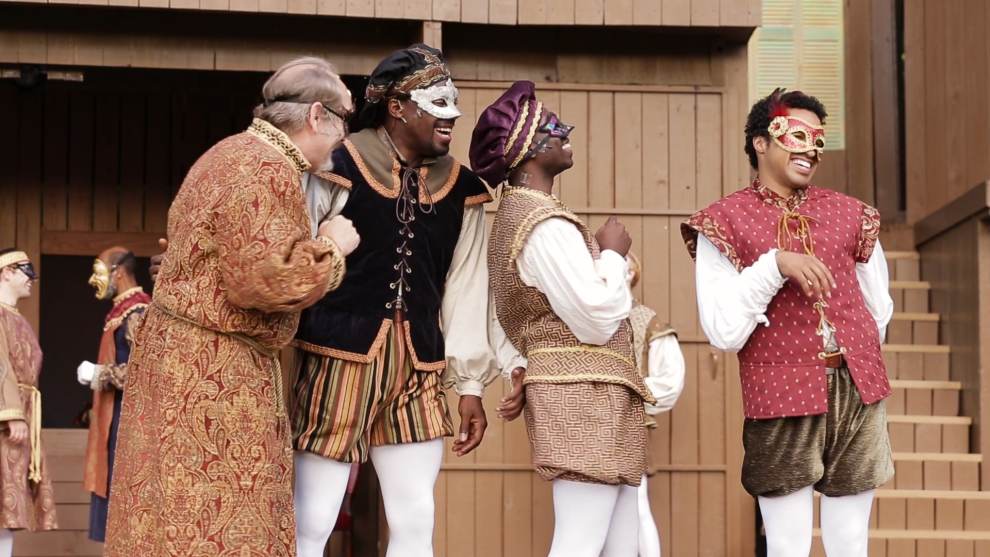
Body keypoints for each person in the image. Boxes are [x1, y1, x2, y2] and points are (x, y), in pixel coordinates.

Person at [103, 57, 360, 556]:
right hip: (215, 375)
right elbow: (267, 281)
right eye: (344, 120)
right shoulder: (269, 169)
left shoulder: (223, 154)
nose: (343, 138)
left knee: (168, 518)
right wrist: (332, 247)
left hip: (175, 361)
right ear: (315, 116)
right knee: (218, 523)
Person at [290, 44, 503, 557]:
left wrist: (470, 384)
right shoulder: (336, 162)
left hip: (419, 368)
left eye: (453, 101)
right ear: (397, 106)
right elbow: (296, 256)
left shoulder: (460, 189)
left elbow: (468, 287)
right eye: (436, 102)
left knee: (415, 519)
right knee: (312, 520)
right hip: (336, 359)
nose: (449, 115)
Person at [680, 88, 894, 557]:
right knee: (787, 543)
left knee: (851, 540)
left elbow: (878, 305)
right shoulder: (724, 220)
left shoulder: (852, 214)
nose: (811, 149)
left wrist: (859, 355)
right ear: (762, 141)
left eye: (819, 139)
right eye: (797, 135)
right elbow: (722, 329)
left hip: (858, 386)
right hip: (779, 386)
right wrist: (774, 265)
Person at [473, 80, 651, 557]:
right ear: (528, 148)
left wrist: (519, 366)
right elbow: (595, 316)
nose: (564, 131)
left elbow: (512, 313)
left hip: (594, 391)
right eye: (553, 126)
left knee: (618, 542)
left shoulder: (524, 218)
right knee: (579, 541)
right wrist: (612, 256)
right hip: (581, 395)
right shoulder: (543, 224)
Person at [76, 247, 151, 543]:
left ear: (118, 271)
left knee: (126, 496)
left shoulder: (139, 312)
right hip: (115, 417)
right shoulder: (122, 310)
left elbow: (144, 371)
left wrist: (100, 374)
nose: (94, 279)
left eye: (99, 271)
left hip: (132, 422)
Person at [625, 251, 685, 557]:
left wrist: (625, 395)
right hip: (588, 425)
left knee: (636, 502)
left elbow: (669, 379)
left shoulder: (646, 320)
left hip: (630, 425)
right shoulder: (580, 320)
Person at [0, 249, 57, 557]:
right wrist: (11, 414)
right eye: (25, 270)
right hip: (7, 418)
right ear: (6, 271)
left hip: (22, 410)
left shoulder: (14, 317)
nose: (31, 279)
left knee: (9, 507)